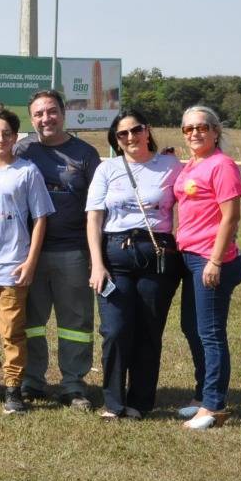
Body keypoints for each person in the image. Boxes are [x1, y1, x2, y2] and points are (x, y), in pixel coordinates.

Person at [86, 110, 181, 420]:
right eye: (122, 134)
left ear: (147, 130)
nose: (130, 137)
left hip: (158, 255)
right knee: (114, 330)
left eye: (135, 130)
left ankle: (140, 402)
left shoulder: (170, 165)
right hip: (115, 256)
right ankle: (113, 402)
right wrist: (97, 264)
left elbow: (195, 191)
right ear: (115, 140)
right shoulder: (107, 169)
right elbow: (94, 217)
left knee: (149, 331)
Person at [16, 89, 102, 410]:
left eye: (51, 111)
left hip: (73, 252)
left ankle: (73, 384)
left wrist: (96, 257)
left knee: (75, 323)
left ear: (64, 113)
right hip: (31, 254)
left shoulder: (85, 154)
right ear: (32, 118)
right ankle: (32, 381)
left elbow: (98, 209)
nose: (45, 119)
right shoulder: (22, 150)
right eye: (38, 113)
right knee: (30, 321)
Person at [0, 105, 54, 414]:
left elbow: (41, 219)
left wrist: (30, 262)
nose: (0, 138)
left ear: (16, 137)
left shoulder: (28, 171)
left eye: (6, 133)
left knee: (12, 330)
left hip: (13, 265)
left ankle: (13, 387)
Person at [174, 105, 241, 430]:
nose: (195, 133)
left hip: (211, 260)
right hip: (189, 257)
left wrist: (215, 260)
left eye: (202, 127)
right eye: (188, 129)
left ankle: (214, 406)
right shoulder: (192, 164)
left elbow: (231, 216)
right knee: (191, 328)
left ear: (215, 131)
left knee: (211, 333)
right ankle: (203, 394)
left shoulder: (222, 165)